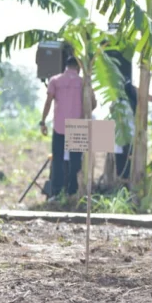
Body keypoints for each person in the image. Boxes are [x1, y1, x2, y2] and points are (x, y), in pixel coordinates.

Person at [39, 56, 95, 199]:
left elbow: (48, 102)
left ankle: (57, 192)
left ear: (66, 65)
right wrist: (84, 113)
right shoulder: (83, 82)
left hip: (59, 126)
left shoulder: (55, 80)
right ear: (79, 67)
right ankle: (73, 191)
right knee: (75, 161)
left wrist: (43, 121)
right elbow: (93, 103)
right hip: (77, 126)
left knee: (57, 160)